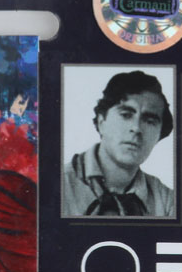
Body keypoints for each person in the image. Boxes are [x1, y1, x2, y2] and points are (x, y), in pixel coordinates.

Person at [62, 70, 175, 217]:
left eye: (149, 121)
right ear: (101, 122)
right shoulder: (56, 185)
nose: (136, 128)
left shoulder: (168, 202)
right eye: (126, 115)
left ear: (160, 135)